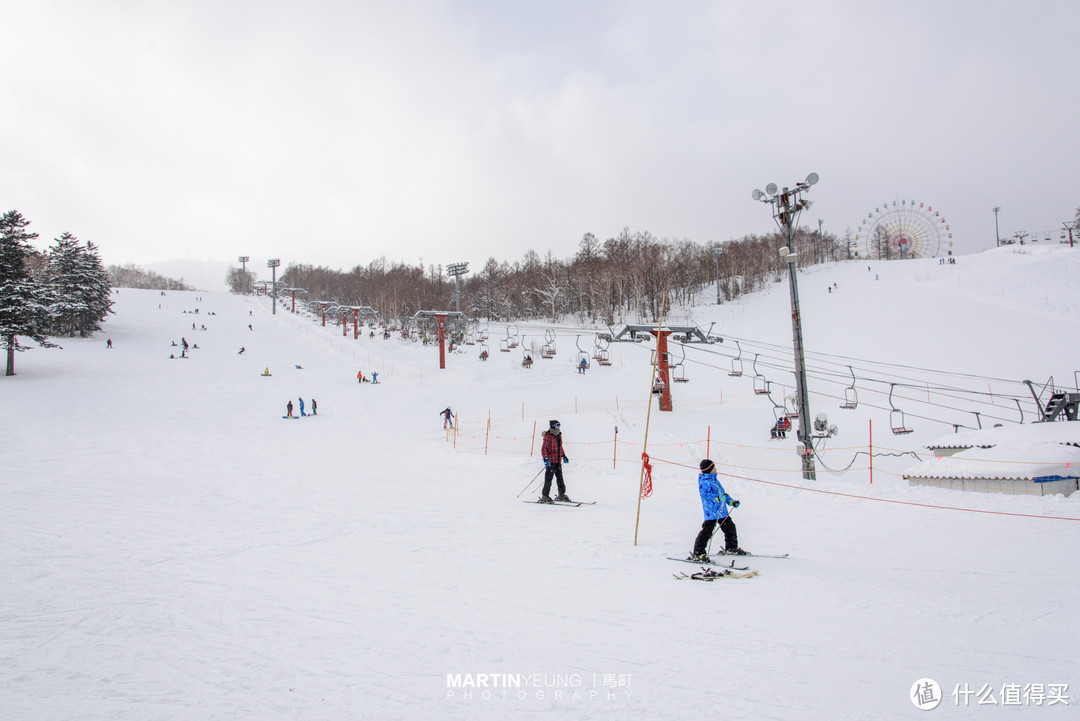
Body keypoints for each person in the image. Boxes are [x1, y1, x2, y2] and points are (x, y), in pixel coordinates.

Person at [690, 459, 746, 561]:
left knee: (730, 528)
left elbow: (723, 495)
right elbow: (707, 497)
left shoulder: (714, 480)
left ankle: (731, 548)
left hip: (721, 511)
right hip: (711, 512)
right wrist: (719, 499)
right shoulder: (704, 482)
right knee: (707, 532)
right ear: (709, 470)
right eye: (714, 467)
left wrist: (732, 502)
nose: (716, 469)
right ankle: (698, 553)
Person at [539, 420, 571, 503]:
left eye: (559, 425)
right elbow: (544, 449)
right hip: (550, 461)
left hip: (557, 460)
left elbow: (559, 447)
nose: (559, 427)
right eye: (557, 425)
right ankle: (545, 496)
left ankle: (561, 494)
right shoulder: (548, 436)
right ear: (553, 426)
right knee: (548, 479)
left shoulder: (558, 434)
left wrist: (563, 456)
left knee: (560, 478)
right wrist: (545, 459)